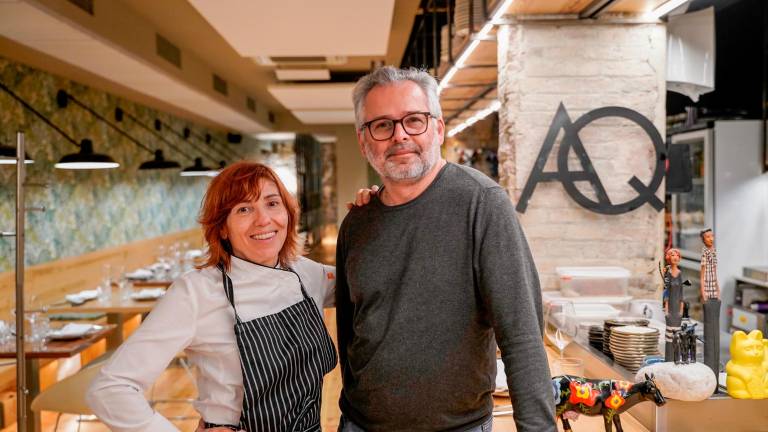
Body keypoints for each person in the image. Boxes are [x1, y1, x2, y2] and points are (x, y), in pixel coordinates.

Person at [335, 66, 555, 431]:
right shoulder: (356, 224)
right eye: (382, 125)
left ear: (438, 127)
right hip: (360, 424)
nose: (399, 135)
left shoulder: (483, 204)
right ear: (363, 141)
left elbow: (521, 335)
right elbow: (348, 330)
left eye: (414, 120)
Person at [87, 162, 338, 432]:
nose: (264, 219)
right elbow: (110, 389)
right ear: (222, 228)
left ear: (288, 213)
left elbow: (368, 284)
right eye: (244, 209)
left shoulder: (305, 273)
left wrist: (377, 208)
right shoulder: (196, 292)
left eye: (272, 203)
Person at [700, 228, 721, 376]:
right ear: (704, 239)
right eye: (708, 236)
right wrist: (704, 294)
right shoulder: (704, 253)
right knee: (709, 329)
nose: (711, 238)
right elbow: (702, 276)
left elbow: (715, 272)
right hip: (707, 289)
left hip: (714, 288)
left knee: (715, 328)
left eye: (712, 235)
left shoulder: (713, 251)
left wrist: (718, 291)